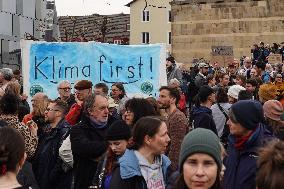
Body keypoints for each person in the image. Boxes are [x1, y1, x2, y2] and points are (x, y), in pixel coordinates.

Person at [109, 116, 171, 189]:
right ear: (148, 139)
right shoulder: (125, 170)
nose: (168, 139)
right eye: (164, 135)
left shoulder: (165, 163)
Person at [223, 100, 274, 189]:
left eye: (233, 119)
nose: (228, 122)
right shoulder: (233, 141)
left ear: (246, 122)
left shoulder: (269, 150)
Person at [70, 94, 110, 189]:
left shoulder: (114, 126)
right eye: (102, 108)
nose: (107, 111)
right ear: (90, 111)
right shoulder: (78, 129)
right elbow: (85, 148)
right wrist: (109, 148)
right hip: (85, 182)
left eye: (107, 107)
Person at [32, 100, 71, 189]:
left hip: (54, 184)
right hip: (41, 181)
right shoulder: (46, 130)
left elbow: (62, 163)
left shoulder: (66, 132)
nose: (45, 112)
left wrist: (50, 178)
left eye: (49, 109)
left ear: (58, 113)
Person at [89, 120, 131, 189]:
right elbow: (96, 182)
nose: (113, 148)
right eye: (110, 144)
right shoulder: (106, 158)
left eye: (117, 144)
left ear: (128, 141)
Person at [158, 86, 188, 171]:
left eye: (163, 96)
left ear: (173, 99)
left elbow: (176, 149)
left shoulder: (178, 118)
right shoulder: (171, 116)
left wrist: (170, 171)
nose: (159, 99)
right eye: (159, 96)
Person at [0, 93, 38, 160]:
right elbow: (29, 153)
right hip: (15, 168)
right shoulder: (23, 128)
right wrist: (34, 134)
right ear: (17, 108)